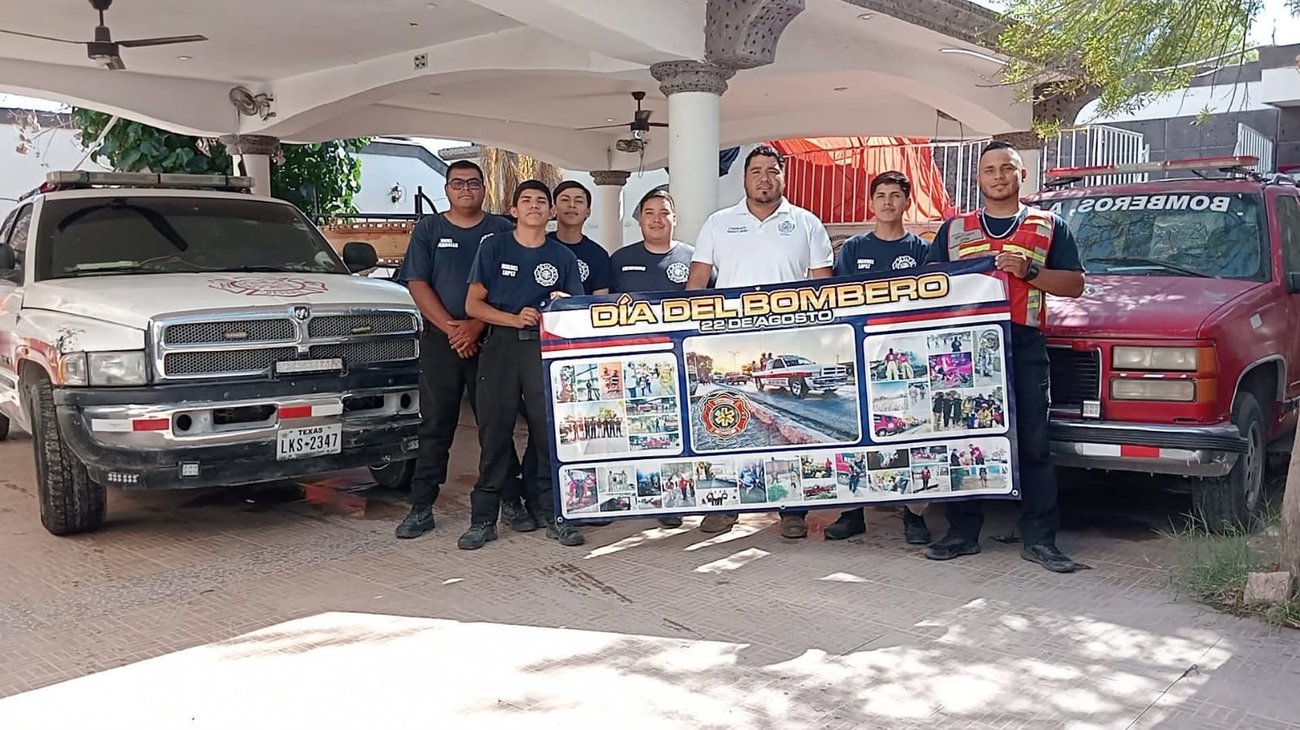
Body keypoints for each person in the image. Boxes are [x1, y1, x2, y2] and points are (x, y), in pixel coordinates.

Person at [923, 140, 1086, 573]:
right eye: (990, 169)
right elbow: (928, 286)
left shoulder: (1050, 225)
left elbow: (1074, 285)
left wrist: (1030, 271)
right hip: (963, 350)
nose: (998, 176)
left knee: (1033, 443)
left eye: (1007, 168)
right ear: (978, 178)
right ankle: (961, 532)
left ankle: (1040, 538)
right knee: (963, 439)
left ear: (1021, 175)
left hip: (1023, 342)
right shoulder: (954, 229)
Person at [687, 144, 834, 538]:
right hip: (728, 338)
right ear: (745, 178)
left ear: (783, 176)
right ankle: (728, 506)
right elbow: (697, 281)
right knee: (730, 423)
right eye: (756, 171)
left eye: (773, 170)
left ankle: (792, 510)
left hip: (790, 337)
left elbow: (823, 285)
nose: (765, 178)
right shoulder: (718, 223)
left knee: (784, 428)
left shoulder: (806, 223)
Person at [394, 161, 517, 540]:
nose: (466, 189)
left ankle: (510, 500)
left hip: (490, 341)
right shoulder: (430, 228)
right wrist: (452, 329)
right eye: (458, 183)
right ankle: (421, 507)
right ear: (446, 189)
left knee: (495, 426)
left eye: (474, 183)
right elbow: (417, 283)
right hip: (441, 342)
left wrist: (475, 326)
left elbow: (507, 287)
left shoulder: (500, 229)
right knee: (435, 425)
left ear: (484, 189)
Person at [461, 180, 586, 550]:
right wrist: (512, 318)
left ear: (551, 212)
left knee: (549, 434)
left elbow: (577, 310)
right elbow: (472, 305)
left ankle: (555, 515)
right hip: (501, 349)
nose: (534, 206)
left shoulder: (562, 257)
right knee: (494, 433)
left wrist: (562, 302)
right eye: (526, 201)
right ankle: (483, 518)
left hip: (544, 353)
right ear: (513, 210)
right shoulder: (494, 247)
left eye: (541, 201)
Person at [826, 171, 933, 545]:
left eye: (895, 196)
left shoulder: (921, 250)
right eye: (881, 195)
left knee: (907, 432)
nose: (888, 202)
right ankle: (852, 512)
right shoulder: (854, 249)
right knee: (854, 431)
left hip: (905, 358)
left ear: (906, 202)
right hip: (863, 353)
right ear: (871, 203)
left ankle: (913, 515)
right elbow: (838, 298)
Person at [609, 187, 703, 529]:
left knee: (673, 432)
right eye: (649, 212)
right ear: (639, 220)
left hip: (678, 364)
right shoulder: (618, 260)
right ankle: (627, 496)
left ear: (674, 219)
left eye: (664, 212)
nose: (657, 219)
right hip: (632, 361)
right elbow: (598, 307)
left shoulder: (695, 258)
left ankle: (670, 502)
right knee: (634, 431)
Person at [549, 181, 614, 296]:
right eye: (565, 200)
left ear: (588, 212)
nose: (572, 205)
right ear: (554, 209)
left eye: (578, 201)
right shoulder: (540, 246)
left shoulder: (598, 255)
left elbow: (600, 301)